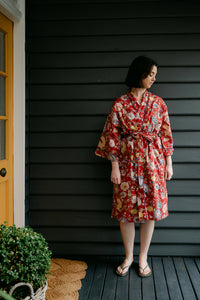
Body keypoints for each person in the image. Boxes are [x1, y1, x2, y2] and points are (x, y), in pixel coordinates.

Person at [94, 56, 174, 278]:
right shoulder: (119, 104)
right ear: (140, 73)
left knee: (150, 212)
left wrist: (168, 162)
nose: (153, 79)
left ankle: (143, 258)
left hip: (152, 165)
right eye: (150, 75)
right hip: (127, 165)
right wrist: (114, 167)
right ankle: (128, 256)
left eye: (155, 76)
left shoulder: (158, 103)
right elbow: (111, 137)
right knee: (125, 214)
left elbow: (166, 134)